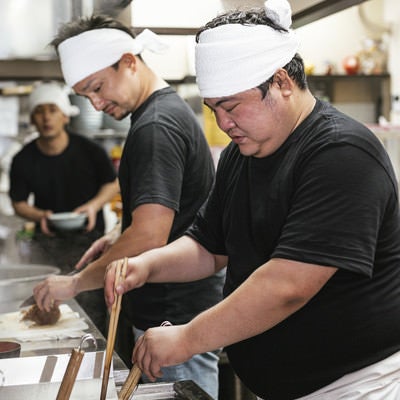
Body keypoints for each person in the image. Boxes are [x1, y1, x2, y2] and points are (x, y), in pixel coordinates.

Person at [103, 1, 400, 399]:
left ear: (281, 82)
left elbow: (287, 285)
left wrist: (188, 338)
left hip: (353, 385)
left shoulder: (340, 153)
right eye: (214, 110)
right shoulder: (241, 155)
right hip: (283, 384)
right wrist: (145, 266)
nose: (223, 124)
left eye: (231, 107)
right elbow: (210, 248)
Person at [32, 15, 224, 399]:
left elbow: (151, 234)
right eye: (85, 96)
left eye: (98, 87)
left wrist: (74, 282)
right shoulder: (159, 114)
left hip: (172, 317)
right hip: (176, 312)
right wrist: (117, 237)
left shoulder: (156, 127)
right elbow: (165, 215)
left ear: (129, 61)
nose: (97, 103)